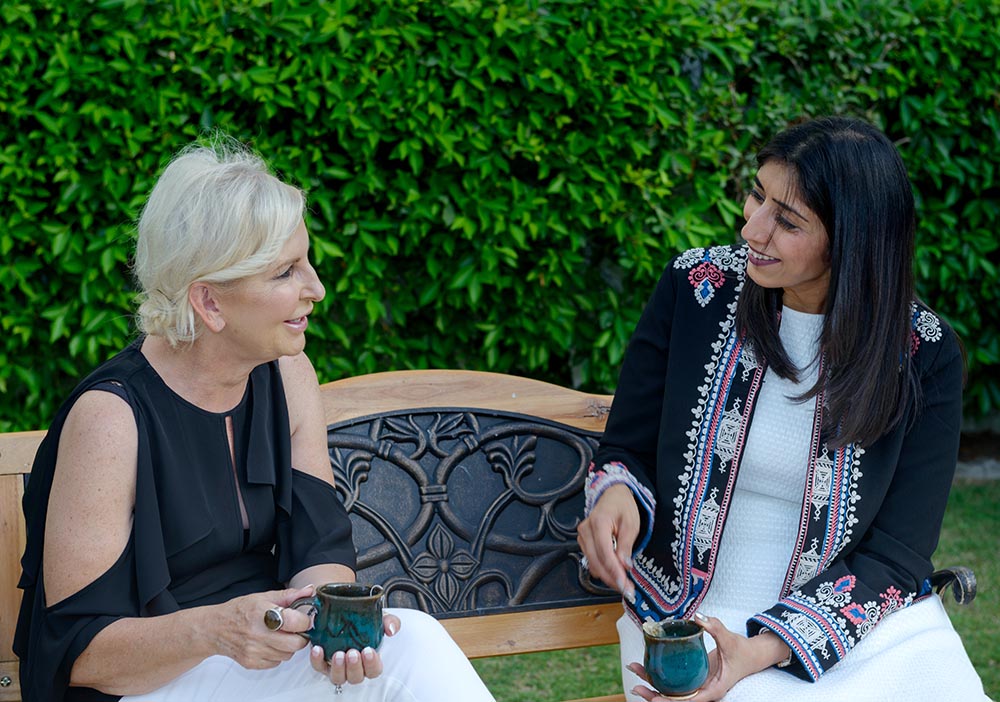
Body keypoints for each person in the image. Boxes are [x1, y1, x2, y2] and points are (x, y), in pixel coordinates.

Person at [14, 139, 495, 702]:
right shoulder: (110, 418)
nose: (316, 289)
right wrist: (216, 632)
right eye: (286, 272)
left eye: (306, 262)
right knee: (414, 655)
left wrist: (333, 626)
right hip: (142, 686)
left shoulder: (288, 375)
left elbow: (318, 547)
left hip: (255, 668)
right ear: (209, 302)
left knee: (410, 643)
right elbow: (78, 653)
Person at [577, 116, 990, 701]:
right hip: (697, 619)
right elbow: (628, 446)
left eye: (788, 221)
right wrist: (615, 494)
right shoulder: (697, 290)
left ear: (853, 241)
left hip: (859, 620)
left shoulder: (922, 352)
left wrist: (766, 646)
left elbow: (898, 552)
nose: (752, 228)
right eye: (757, 195)